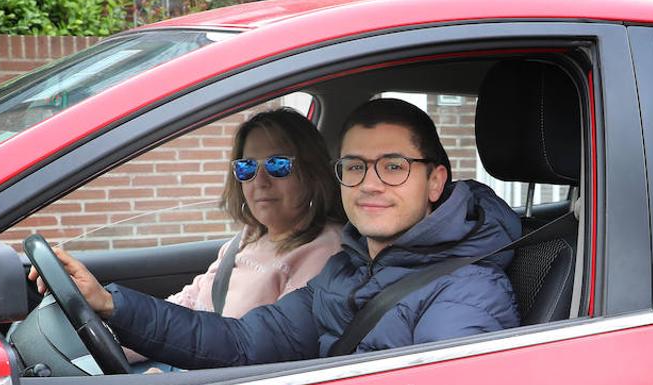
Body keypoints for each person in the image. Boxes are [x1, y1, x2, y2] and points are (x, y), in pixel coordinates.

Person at [36, 98, 521, 368]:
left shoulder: (467, 291)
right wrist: (110, 304)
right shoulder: (346, 269)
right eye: (355, 166)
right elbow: (243, 342)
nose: (370, 184)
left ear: (435, 181)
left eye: (393, 166)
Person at [167, 107, 344, 318]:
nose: (260, 181)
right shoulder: (246, 238)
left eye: (277, 165)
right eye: (247, 167)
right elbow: (189, 299)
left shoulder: (323, 252)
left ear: (312, 173)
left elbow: (262, 342)